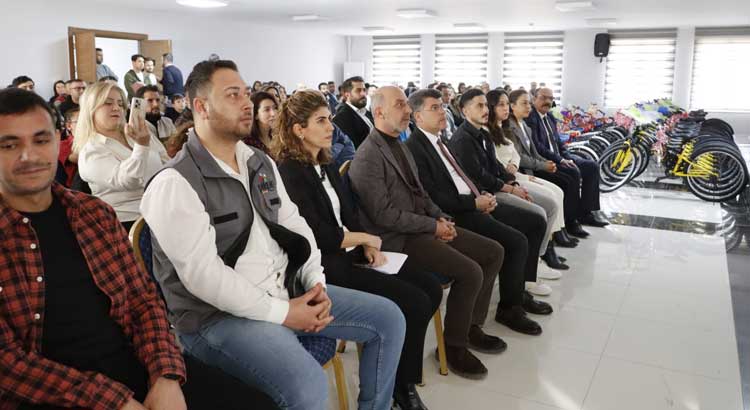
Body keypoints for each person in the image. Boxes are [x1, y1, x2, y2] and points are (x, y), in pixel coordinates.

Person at [140, 59, 406, 410]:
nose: (247, 102)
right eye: (233, 95)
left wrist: (315, 282)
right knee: (308, 385)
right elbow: (204, 278)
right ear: (200, 107)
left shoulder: (257, 162)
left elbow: (295, 224)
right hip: (218, 319)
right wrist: (283, 313)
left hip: (285, 289)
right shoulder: (175, 183)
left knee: (389, 319)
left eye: (246, 93)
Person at [0, 87, 279, 410]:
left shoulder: (93, 215)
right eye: (9, 145)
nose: (29, 156)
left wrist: (166, 376)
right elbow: (8, 365)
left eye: (40, 140)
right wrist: (116, 402)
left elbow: (143, 302)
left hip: (132, 366)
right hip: (49, 392)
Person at [273, 89, 442, 410]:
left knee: (430, 288)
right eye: (321, 121)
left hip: (351, 253)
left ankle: (400, 376)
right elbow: (315, 236)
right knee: (414, 301)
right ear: (299, 129)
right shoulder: (290, 172)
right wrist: (363, 240)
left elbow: (348, 215)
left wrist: (365, 243)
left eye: (330, 120)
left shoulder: (323, 163)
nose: (331, 128)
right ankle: (401, 389)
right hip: (326, 266)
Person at [349, 86, 506, 380]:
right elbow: (385, 216)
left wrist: (440, 218)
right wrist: (432, 226)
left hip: (421, 227)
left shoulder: (399, 144)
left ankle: (470, 327)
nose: (408, 110)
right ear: (379, 111)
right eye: (400, 105)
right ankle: (454, 346)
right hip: (396, 239)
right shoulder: (368, 155)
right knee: (470, 271)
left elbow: (421, 195)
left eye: (407, 106)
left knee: (493, 252)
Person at [405, 88, 552, 333]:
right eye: (435, 108)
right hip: (457, 213)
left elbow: (464, 177)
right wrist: (475, 203)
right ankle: (507, 308)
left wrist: (481, 195)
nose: (443, 112)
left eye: (442, 106)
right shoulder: (416, 148)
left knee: (531, 224)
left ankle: (517, 293)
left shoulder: (440, 141)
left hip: (473, 202)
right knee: (514, 242)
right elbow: (435, 197)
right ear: (417, 117)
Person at [448, 88, 562, 293]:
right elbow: (479, 176)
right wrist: (508, 187)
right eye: (480, 106)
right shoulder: (462, 139)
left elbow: (496, 166)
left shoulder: (481, 132)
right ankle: (527, 280)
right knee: (536, 216)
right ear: (465, 111)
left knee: (541, 210)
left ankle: (529, 273)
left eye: (485, 105)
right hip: (484, 195)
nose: (485, 110)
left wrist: (513, 183)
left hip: (496, 187)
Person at [487, 89, 575, 268]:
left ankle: (551, 243)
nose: (528, 106)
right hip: (509, 179)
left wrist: (518, 166)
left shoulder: (506, 128)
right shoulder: (493, 130)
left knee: (557, 191)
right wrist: (522, 174)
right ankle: (542, 254)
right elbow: (497, 163)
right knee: (550, 200)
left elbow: (516, 155)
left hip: (516, 173)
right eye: (524, 103)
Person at [73, 81, 169, 231]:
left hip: (164, 211)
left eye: (120, 103)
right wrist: (142, 146)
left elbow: (166, 161)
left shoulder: (138, 132)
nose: (116, 108)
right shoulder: (91, 151)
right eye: (108, 103)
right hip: (129, 226)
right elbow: (128, 180)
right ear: (91, 109)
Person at [506, 89, 590, 241]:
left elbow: (534, 151)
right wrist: (543, 165)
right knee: (562, 185)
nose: (528, 107)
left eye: (528, 103)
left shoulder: (524, 125)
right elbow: (521, 157)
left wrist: (547, 162)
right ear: (512, 106)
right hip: (526, 171)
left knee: (571, 175)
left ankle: (566, 226)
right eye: (524, 103)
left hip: (535, 165)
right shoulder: (509, 127)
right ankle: (557, 234)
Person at [525, 88, 609, 229]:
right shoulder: (531, 118)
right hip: (547, 160)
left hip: (561, 156)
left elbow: (558, 142)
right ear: (534, 99)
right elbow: (538, 147)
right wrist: (561, 160)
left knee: (592, 167)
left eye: (550, 98)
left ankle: (587, 212)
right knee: (572, 172)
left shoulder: (550, 117)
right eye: (543, 97)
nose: (547, 101)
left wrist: (569, 157)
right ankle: (571, 219)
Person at [333, 76, 373, 148]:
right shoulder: (342, 118)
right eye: (358, 90)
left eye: (364, 90)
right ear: (347, 94)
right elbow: (352, 148)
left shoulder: (366, 112)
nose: (363, 94)